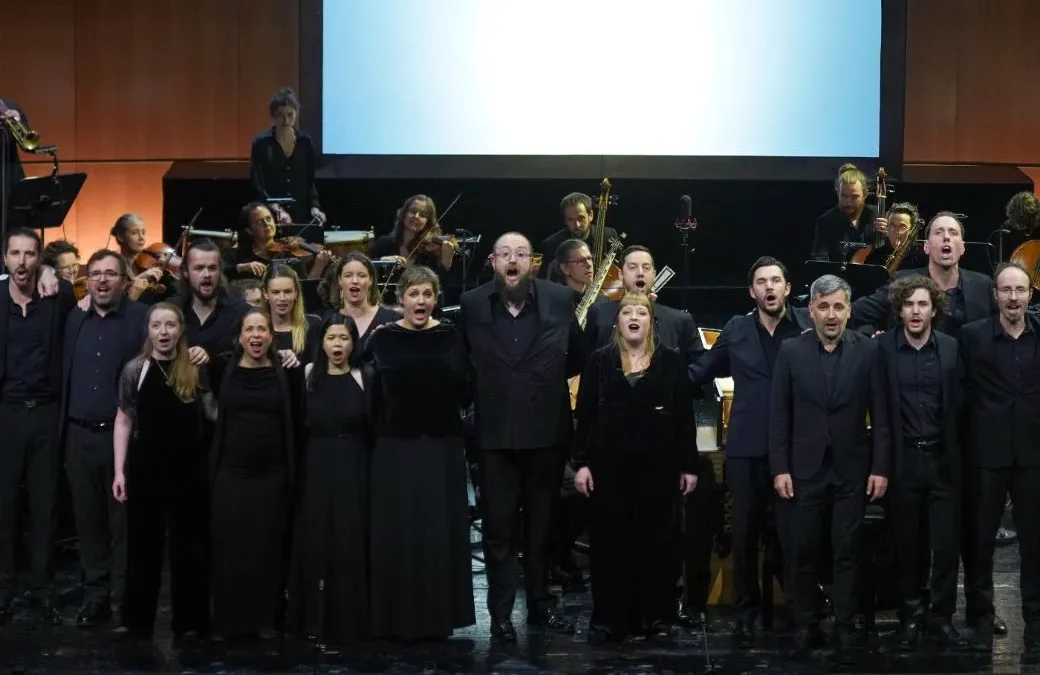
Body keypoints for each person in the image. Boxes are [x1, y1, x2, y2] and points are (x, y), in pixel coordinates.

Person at [852, 211, 1005, 636]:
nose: (945, 240)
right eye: (938, 233)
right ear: (927, 245)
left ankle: (972, 612)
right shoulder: (906, 285)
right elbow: (857, 313)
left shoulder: (980, 288)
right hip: (909, 445)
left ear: (961, 245)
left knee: (964, 536)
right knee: (910, 541)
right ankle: (914, 612)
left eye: (953, 234)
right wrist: (874, 339)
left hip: (961, 437)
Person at [457, 232, 585, 642]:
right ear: (493, 261)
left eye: (521, 254)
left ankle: (540, 608)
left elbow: (578, 356)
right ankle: (499, 616)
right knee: (499, 531)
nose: (513, 260)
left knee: (542, 529)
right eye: (505, 254)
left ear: (533, 261)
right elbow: (463, 366)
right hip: (495, 437)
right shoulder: (473, 304)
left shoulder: (560, 299)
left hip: (546, 433)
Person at [581, 244, 708, 626]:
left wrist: (688, 466)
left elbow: (684, 418)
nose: (633, 317)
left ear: (651, 320)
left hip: (658, 466)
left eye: (641, 312)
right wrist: (582, 464)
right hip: (610, 467)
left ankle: (657, 615)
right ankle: (613, 617)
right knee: (612, 542)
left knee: (657, 542)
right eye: (626, 312)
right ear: (616, 321)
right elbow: (584, 415)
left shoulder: (669, 361)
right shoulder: (599, 361)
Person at [689, 256, 810, 647]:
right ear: (752, 291)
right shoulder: (737, 329)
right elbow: (703, 368)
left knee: (791, 535)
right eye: (762, 282)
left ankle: (798, 607)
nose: (770, 287)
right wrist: (659, 374)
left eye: (777, 280)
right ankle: (746, 611)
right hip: (746, 447)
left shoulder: (805, 329)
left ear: (788, 289)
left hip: (794, 450)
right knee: (743, 534)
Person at [769, 274, 891, 660]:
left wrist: (880, 467)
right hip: (803, 472)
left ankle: (844, 625)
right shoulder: (790, 352)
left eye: (839, 306)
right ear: (811, 311)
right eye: (824, 307)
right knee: (802, 552)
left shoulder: (868, 352)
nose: (832, 315)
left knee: (846, 551)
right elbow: (779, 417)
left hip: (852, 470)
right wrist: (780, 468)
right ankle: (805, 625)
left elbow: (882, 416)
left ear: (850, 310)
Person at [366, 265, 474, 641]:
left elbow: (465, 389)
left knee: (437, 532)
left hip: (441, 447)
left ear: (435, 298)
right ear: (401, 299)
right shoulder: (383, 339)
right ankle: (397, 617)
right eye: (414, 294)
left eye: (428, 294)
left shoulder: (449, 336)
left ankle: (437, 618)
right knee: (399, 532)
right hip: (395, 448)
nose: (421, 301)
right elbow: (372, 396)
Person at [112, 303, 215, 641]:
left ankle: (191, 622)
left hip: (189, 469)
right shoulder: (134, 369)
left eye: (170, 325)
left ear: (181, 330)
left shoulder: (195, 368)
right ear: (149, 330)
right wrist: (119, 471)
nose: (164, 332)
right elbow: (124, 419)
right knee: (143, 546)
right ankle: (137, 620)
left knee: (190, 547)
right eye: (157, 325)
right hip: (146, 469)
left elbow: (212, 412)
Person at [874, 275, 966, 650]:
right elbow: (878, 412)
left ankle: (941, 618)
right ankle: (910, 616)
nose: (915, 311)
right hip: (904, 460)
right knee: (906, 545)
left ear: (934, 309)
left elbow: (961, 408)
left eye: (922, 304)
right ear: (899, 309)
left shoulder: (950, 348)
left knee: (945, 547)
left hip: (943, 460)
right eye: (909, 304)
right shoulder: (882, 351)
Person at [61, 250, 149, 627]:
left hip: (123, 441)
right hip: (78, 436)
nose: (101, 281)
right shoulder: (73, 318)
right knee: (88, 523)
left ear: (124, 280)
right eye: (94, 274)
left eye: (110, 274)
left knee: (123, 526)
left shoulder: (142, 319)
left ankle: (124, 600)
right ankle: (95, 596)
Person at [960, 262, 1040, 656]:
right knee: (980, 545)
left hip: (1033, 456)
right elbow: (960, 395)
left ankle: (1037, 624)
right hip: (985, 455)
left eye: (1020, 290)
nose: (1013, 297)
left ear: (1030, 294)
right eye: (1006, 290)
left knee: (1036, 545)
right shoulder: (972, 336)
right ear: (995, 295)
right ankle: (980, 619)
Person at [209, 308, 301, 640]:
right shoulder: (222, 366)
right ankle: (229, 619)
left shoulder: (286, 370)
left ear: (271, 337)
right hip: (232, 471)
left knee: (268, 547)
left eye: (262, 330)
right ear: (240, 336)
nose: (257, 336)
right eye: (250, 330)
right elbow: (208, 404)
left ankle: (267, 618)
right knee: (230, 547)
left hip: (272, 473)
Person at [0, 228, 75, 626]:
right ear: (5, 258)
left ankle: (43, 591)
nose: (23, 262)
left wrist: (51, 270)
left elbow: (67, 282)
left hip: (46, 412)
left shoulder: (57, 295)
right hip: (6, 413)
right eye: (15, 254)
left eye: (31, 254)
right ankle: (4, 590)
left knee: (45, 508)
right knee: (4, 507)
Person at [289, 314, 369, 644]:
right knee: (317, 539)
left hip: (353, 463)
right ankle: (314, 619)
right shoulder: (309, 375)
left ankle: (351, 619)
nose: (338, 345)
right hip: (317, 464)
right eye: (332, 338)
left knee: (350, 539)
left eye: (344, 338)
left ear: (354, 342)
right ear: (321, 342)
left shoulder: (364, 376)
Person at [249, 87, 325, 234]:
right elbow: (258, 185)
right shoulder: (261, 143)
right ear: (272, 116)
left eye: (290, 115)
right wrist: (276, 209)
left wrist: (315, 207)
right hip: (271, 216)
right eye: (280, 116)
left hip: (301, 214)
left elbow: (310, 180)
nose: (286, 121)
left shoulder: (305, 142)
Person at [319, 251, 399, 357]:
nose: (355, 281)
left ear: (370, 280)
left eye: (361, 275)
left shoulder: (390, 319)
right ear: (340, 280)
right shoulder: (328, 319)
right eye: (348, 275)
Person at [370, 195, 456, 292]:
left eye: (423, 215)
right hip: (384, 304)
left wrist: (446, 262)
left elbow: (438, 289)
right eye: (412, 211)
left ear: (428, 222)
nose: (416, 217)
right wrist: (382, 260)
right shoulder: (384, 243)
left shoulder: (429, 252)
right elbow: (365, 270)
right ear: (404, 214)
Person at [229, 202, 333, 281]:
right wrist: (240, 268)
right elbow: (223, 273)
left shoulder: (290, 254)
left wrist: (319, 266)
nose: (267, 224)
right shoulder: (240, 255)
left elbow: (304, 290)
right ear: (249, 230)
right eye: (259, 222)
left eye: (269, 219)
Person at [810, 163, 882, 263]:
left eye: (854, 197)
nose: (848, 202)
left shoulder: (877, 215)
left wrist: (888, 235)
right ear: (837, 193)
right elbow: (820, 258)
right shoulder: (826, 221)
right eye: (844, 196)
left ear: (865, 194)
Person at [539, 192, 619, 280]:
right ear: (565, 221)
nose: (577, 225)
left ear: (590, 215)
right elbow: (543, 282)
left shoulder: (608, 235)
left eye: (581, 218)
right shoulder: (552, 245)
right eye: (570, 220)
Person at [262, 263, 320, 365]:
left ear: (296, 293)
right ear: (266, 294)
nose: (282, 298)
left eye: (288, 292)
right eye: (275, 292)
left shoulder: (313, 326)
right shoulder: (258, 331)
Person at [110, 214, 171, 304]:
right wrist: (140, 278)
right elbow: (113, 299)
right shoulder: (113, 267)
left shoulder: (150, 263)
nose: (141, 238)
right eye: (134, 233)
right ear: (120, 237)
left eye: (143, 232)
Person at [860, 202, 924, 270]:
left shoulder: (920, 258)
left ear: (912, 230)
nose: (895, 231)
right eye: (892, 225)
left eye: (902, 226)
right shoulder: (875, 255)